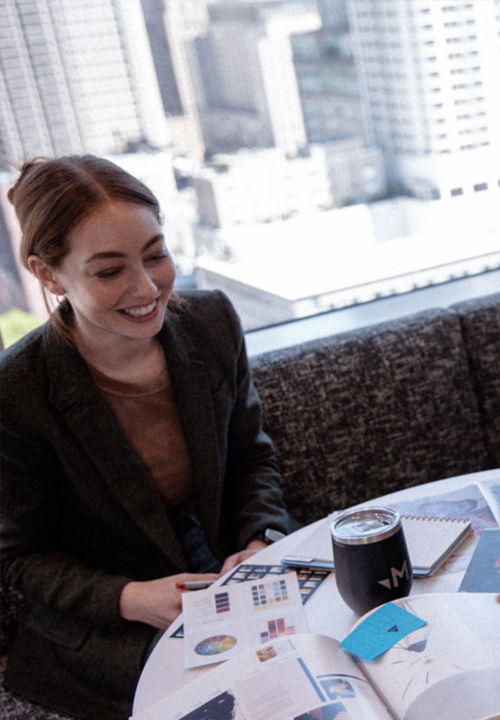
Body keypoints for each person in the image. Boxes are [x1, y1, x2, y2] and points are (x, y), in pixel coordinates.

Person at [0, 156, 296, 719]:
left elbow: (250, 458)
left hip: (228, 569)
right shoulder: (17, 391)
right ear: (48, 274)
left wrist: (260, 541)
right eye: (109, 271)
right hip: (117, 617)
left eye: (156, 255)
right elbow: (20, 557)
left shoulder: (211, 323)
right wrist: (131, 598)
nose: (147, 287)